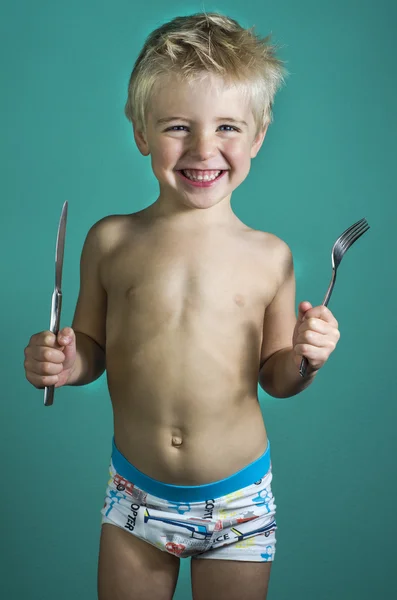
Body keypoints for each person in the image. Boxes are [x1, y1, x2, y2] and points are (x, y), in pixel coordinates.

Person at [24, 12, 340, 600]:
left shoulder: (270, 256)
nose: (203, 149)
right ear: (140, 131)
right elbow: (91, 346)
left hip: (238, 501)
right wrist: (68, 364)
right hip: (136, 494)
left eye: (227, 127)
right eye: (177, 127)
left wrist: (305, 358)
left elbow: (276, 378)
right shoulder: (111, 241)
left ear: (258, 134)